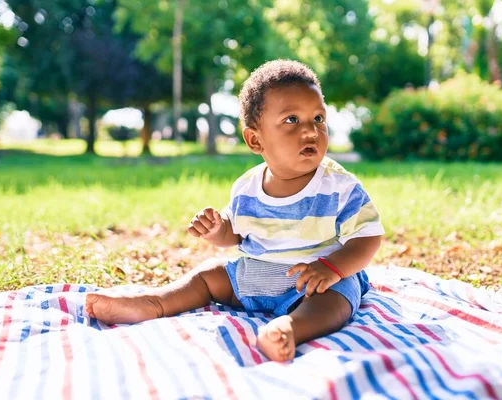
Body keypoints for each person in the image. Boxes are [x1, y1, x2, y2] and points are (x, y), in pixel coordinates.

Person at [86, 60, 384, 362]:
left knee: (340, 296)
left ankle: (288, 329)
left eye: (318, 118)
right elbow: (234, 233)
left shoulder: (339, 186)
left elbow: (368, 238)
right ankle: (154, 303)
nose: (310, 131)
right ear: (255, 139)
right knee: (208, 275)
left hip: (315, 281)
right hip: (257, 276)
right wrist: (218, 229)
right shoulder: (247, 187)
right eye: (292, 120)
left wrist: (332, 268)